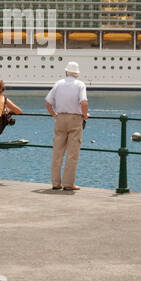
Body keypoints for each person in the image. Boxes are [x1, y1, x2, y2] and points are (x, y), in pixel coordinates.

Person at [45, 62, 89, 190]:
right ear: (77, 74)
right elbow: (84, 103)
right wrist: (85, 115)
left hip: (60, 118)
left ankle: (55, 183)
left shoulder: (58, 84)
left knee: (57, 153)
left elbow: (48, 103)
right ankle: (68, 184)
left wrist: (54, 115)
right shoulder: (80, 84)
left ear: (66, 72)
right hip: (75, 119)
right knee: (72, 153)